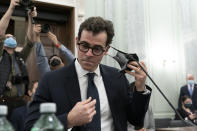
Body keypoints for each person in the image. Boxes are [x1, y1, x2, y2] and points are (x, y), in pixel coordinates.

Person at [25, 16, 152, 131]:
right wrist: (68, 120)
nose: (88, 54)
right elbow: (32, 127)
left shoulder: (117, 77)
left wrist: (140, 88)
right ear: (76, 42)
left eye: (96, 49)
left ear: (106, 50)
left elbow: (135, 119)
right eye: (84, 45)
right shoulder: (51, 80)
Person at [0, 0, 34, 119]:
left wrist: (30, 17)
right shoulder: (1, 55)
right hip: (4, 102)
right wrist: (11, 7)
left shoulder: (19, 57)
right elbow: (0, 32)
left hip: (20, 103)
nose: (11, 37)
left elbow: (30, 41)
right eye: (8, 36)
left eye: (13, 36)